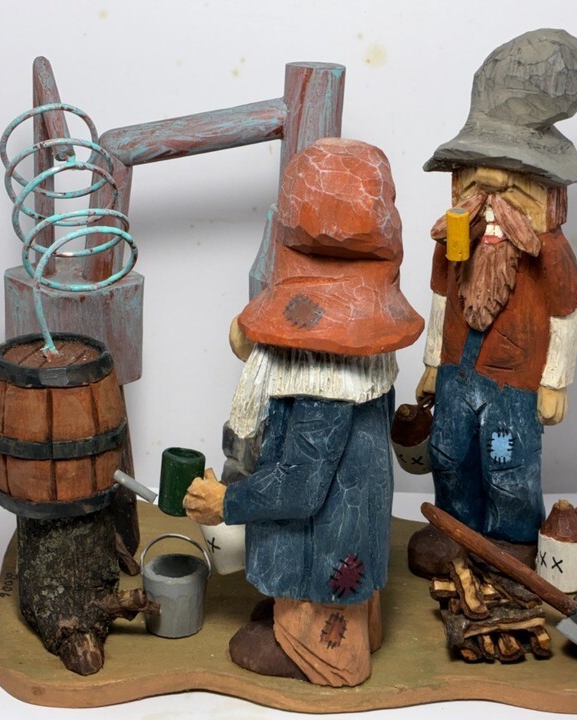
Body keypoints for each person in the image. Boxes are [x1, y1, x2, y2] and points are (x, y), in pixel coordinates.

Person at [184, 138, 422, 687]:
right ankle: (341, 620)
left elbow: (300, 484)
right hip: (350, 529)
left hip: (325, 539)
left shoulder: (324, 377)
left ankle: (321, 652)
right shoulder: (365, 349)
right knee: (342, 568)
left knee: (324, 578)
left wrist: (227, 503)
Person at [409, 29, 577, 575]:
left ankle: (510, 539)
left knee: (505, 461)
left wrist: (555, 381)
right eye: (472, 173)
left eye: (514, 180)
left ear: (550, 193)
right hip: (456, 370)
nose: (488, 187)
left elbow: (564, 315)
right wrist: (432, 364)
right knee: (449, 452)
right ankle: (455, 528)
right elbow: (441, 296)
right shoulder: (454, 236)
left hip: (514, 382)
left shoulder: (550, 252)